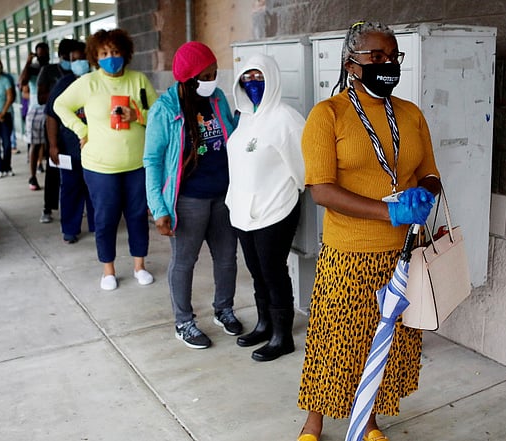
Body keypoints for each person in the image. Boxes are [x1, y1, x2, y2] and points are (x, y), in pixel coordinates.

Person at [296, 22, 440, 441]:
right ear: (351, 65)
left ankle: (370, 418)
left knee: (384, 346)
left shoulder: (410, 113)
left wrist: (422, 195)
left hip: (402, 254)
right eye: (376, 57)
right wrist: (386, 212)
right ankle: (314, 422)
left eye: (392, 56)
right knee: (334, 340)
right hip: (349, 252)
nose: (387, 64)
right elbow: (321, 191)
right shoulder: (328, 115)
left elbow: (430, 172)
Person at [144, 41, 242, 350]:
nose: (214, 79)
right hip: (188, 200)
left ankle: (224, 309)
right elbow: (153, 160)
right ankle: (184, 322)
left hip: (223, 195)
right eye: (207, 74)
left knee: (227, 258)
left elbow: (231, 132)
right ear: (189, 78)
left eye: (214, 72)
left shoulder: (216, 99)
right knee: (184, 261)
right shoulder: (165, 109)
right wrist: (158, 207)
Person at [53, 28, 157, 291]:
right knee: (106, 217)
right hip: (100, 166)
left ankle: (139, 265)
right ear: (95, 57)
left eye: (115, 52)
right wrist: (81, 130)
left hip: (136, 164)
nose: (111, 57)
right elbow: (59, 106)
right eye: (104, 53)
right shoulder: (88, 82)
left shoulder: (138, 80)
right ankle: (108, 270)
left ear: (125, 53)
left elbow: (156, 113)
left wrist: (137, 117)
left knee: (136, 215)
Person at [225, 54, 305, 362]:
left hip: (276, 209)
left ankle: (282, 336)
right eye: (247, 78)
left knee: (273, 272)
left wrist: (285, 190)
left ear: (271, 78)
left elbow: (304, 169)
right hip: (243, 210)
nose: (252, 83)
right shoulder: (246, 115)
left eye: (259, 77)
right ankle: (265, 323)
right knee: (256, 271)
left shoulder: (287, 118)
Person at [45, 40, 95, 244]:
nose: (79, 62)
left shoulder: (96, 81)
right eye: (74, 59)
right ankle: (70, 229)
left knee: (95, 188)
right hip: (69, 147)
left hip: (94, 147)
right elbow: (51, 115)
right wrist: (53, 145)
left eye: (82, 58)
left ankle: (97, 224)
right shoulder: (64, 84)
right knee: (71, 188)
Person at [35, 39, 78, 222]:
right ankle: (48, 207)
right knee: (54, 167)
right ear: (64, 56)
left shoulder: (80, 74)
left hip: (75, 128)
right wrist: (59, 95)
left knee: (76, 172)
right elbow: (40, 97)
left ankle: (76, 207)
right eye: (75, 57)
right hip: (55, 126)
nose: (79, 61)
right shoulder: (49, 71)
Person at [20, 42, 51, 208]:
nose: (43, 56)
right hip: (35, 110)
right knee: (35, 144)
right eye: (40, 54)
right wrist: (28, 62)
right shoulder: (32, 69)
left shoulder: (52, 68)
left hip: (52, 110)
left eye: (45, 53)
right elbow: (21, 82)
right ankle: (32, 176)